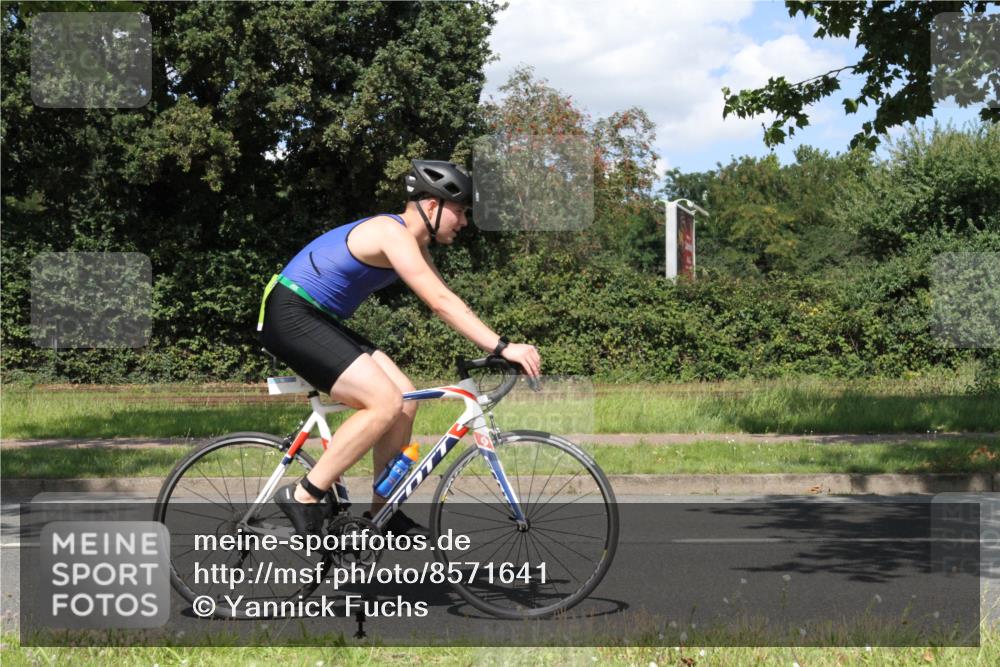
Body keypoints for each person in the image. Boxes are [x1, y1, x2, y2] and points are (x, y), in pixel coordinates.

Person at [257, 160, 541, 538]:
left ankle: (381, 515)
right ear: (432, 206)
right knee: (384, 401)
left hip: (317, 318)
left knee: (406, 398)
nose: (465, 222)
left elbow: (448, 301)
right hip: (291, 314)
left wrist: (495, 342)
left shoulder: (412, 243)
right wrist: (504, 346)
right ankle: (305, 494)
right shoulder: (390, 232)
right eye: (460, 212)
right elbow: (440, 301)